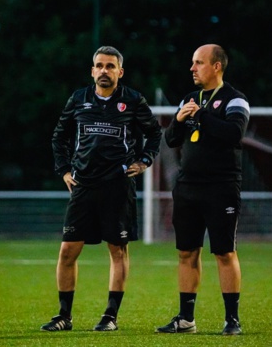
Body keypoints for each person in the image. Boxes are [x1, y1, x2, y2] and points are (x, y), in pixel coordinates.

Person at [41, 46, 162, 332]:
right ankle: (64, 316)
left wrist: (144, 160)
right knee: (68, 251)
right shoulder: (79, 99)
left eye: (110, 66)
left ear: (120, 72)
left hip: (117, 187)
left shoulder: (133, 101)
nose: (104, 71)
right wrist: (64, 171)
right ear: (92, 70)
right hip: (83, 186)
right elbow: (59, 137)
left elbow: (155, 133)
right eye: (99, 66)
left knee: (117, 251)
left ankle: (110, 316)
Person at [156, 44, 250, 336]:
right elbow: (171, 139)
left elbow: (234, 134)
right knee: (186, 252)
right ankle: (186, 319)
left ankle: (232, 320)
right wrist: (180, 119)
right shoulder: (189, 98)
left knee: (224, 253)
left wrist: (203, 115)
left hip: (221, 187)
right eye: (192, 62)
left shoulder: (236, 100)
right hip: (187, 187)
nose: (192, 68)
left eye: (198, 63)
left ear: (216, 66)